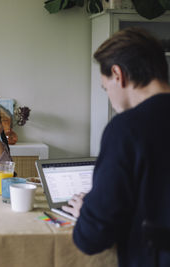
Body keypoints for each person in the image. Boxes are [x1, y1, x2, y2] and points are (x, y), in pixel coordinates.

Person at [62, 28, 170, 266]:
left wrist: (86, 211)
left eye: (105, 87)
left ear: (117, 74)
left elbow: (92, 237)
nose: (109, 95)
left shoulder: (127, 128)